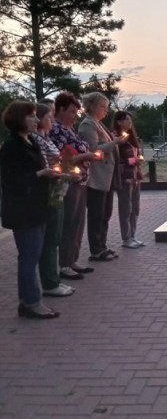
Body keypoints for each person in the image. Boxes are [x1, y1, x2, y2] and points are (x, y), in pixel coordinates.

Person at [0, 100, 60, 319]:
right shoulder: (12, 146)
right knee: (28, 256)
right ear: (19, 119)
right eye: (32, 116)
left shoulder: (30, 142)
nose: (36, 119)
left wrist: (53, 175)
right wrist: (41, 174)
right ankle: (31, 302)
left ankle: (29, 300)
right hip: (23, 211)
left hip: (37, 207)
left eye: (36, 116)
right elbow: (12, 181)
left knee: (32, 255)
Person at [50, 92, 97, 280]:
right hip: (68, 182)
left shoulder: (70, 129)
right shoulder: (56, 130)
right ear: (60, 110)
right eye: (71, 111)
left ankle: (72, 260)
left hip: (81, 181)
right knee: (68, 223)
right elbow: (61, 158)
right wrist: (85, 157)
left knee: (78, 223)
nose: (74, 116)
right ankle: (64, 264)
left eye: (76, 112)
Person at [78, 92, 126, 262]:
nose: (106, 110)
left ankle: (102, 246)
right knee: (97, 214)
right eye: (102, 107)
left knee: (105, 213)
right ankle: (96, 249)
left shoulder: (98, 123)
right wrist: (114, 143)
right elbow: (93, 149)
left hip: (107, 175)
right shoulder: (87, 125)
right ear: (92, 106)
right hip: (97, 177)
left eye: (106, 107)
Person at [33, 103, 75, 297]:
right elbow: (42, 165)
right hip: (49, 192)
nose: (51, 121)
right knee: (50, 239)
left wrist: (66, 170)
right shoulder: (36, 140)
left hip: (58, 188)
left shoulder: (46, 138)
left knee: (55, 237)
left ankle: (54, 279)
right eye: (48, 117)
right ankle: (50, 283)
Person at [112, 110, 145, 248]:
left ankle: (133, 235)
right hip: (124, 176)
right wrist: (134, 160)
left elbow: (137, 153)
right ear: (119, 121)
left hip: (135, 176)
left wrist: (139, 159)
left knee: (135, 207)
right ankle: (126, 238)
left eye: (130, 119)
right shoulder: (115, 137)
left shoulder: (131, 137)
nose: (129, 122)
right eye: (126, 119)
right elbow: (117, 157)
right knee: (126, 207)